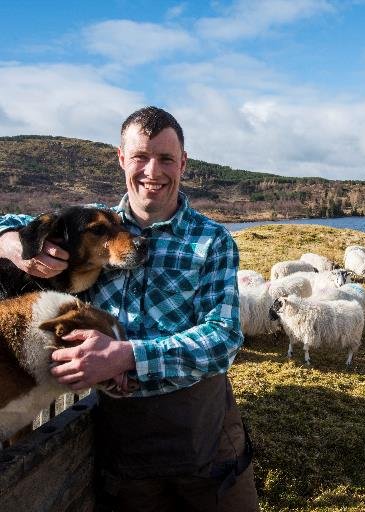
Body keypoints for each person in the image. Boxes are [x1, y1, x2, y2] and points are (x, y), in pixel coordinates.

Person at [0, 106, 259, 511]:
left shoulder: (213, 241)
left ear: (184, 163)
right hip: (121, 435)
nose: (152, 171)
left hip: (199, 427)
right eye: (140, 157)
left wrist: (126, 356)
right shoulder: (94, 227)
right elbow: (14, 222)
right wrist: (14, 244)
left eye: (166, 159)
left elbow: (223, 338)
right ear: (122, 159)